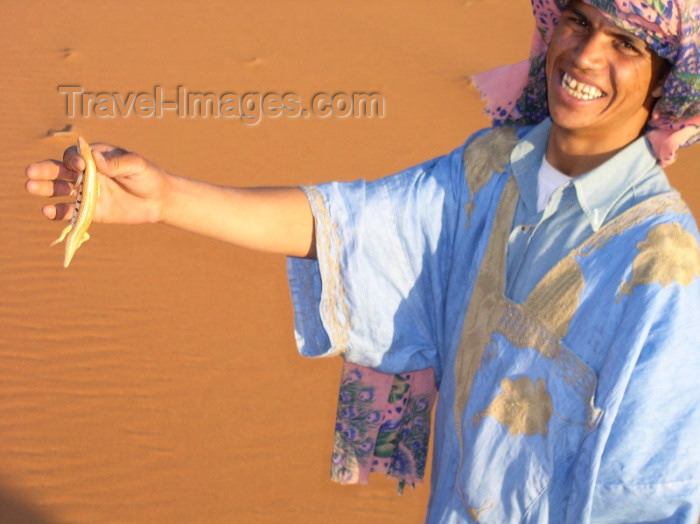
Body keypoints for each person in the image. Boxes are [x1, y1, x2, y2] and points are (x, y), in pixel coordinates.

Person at [25, 0, 699, 521]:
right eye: (578, 21)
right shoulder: (491, 171)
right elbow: (344, 222)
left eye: (626, 43)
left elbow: (658, 498)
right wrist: (162, 198)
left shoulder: (664, 269)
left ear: (666, 78)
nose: (583, 55)